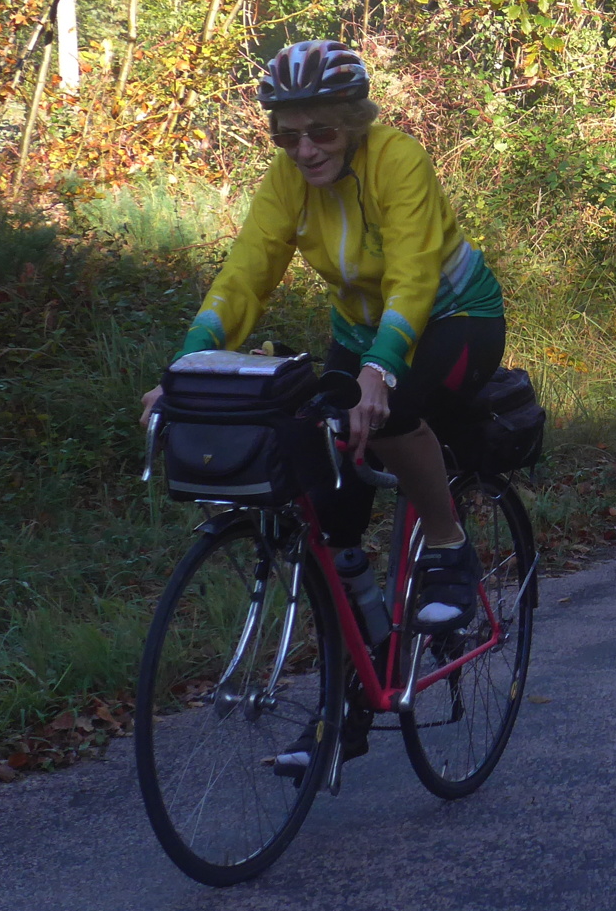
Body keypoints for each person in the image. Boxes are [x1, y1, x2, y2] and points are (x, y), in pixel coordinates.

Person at [140, 41, 506, 651]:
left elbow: (413, 275)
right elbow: (245, 275)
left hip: (456, 317)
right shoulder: (288, 181)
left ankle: (448, 547)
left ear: (355, 123)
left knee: (389, 418)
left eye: (323, 131)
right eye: (288, 137)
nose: (306, 150)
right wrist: (186, 366)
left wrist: (380, 373)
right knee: (320, 482)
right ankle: (352, 694)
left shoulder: (398, 159)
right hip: (360, 332)